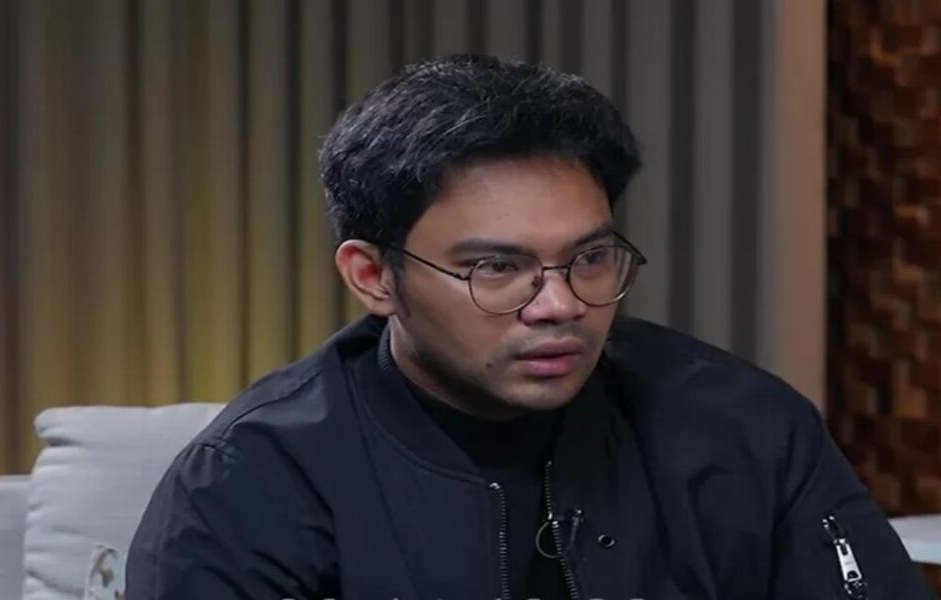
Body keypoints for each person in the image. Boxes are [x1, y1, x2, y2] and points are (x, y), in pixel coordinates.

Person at [126, 54, 933, 600]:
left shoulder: (742, 426)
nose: (560, 305)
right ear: (373, 277)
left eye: (590, 258)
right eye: (496, 268)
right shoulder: (250, 485)